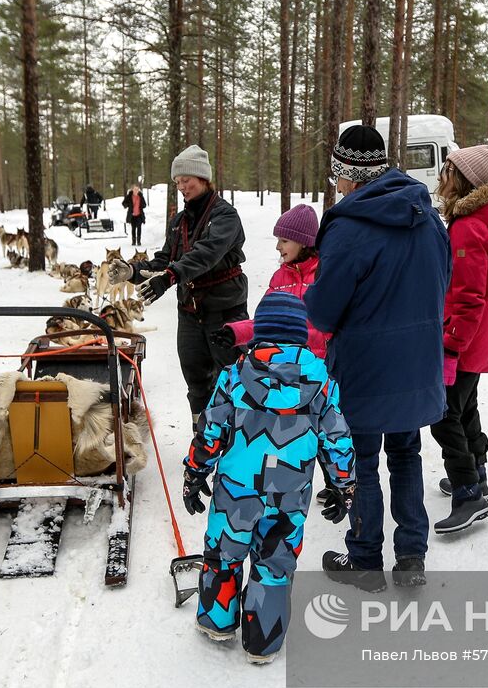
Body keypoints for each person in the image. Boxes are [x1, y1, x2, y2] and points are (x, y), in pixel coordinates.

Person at [305, 124, 450, 592]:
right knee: (406, 453)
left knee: (363, 460)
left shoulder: (348, 227)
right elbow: (442, 282)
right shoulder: (427, 217)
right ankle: (411, 556)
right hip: (416, 361)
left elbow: (325, 311)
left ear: (347, 174)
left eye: (339, 177)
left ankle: (365, 557)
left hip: (364, 366)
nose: (338, 186)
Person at [183, 291, 356, 664]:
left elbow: (211, 430)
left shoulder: (234, 377)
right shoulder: (322, 384)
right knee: (275, 562)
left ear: (258, 333)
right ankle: (262, 640)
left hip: (235, 490)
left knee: (224, 552)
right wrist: (344, 484)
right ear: (300, 335)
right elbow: (338, 439)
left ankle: (217, 619)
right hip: (289, 495)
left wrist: (195, 471)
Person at [130, 144, 249, 420]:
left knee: (232, 379)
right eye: (178, 182)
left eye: (187, 180)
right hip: (190, 313)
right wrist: (132, 271)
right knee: (196, 382)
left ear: (203, 179)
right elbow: (162, 260)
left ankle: (235, 443)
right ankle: (202, 438)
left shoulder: (225, 216)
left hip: (225, 310)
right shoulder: (179, 221)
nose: (182, 187)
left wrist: (170, 277)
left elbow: (205, 254)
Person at [429, 144, 488, 535]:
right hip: (477, 340)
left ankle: (467, 493)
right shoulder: (480, 221)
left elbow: (468, 296)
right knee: (465, 409)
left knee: (444, 417)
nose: (441, 178)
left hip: (462, 342)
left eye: (447, 170)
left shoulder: (467, 227)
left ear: (460, 179)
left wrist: (450, 343)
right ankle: (476, 475)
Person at [216, 204, 329, 359]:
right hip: (285, 367)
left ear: (303, 242)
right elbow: (267, 321)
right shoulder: (280, 278)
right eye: (278, 240)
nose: (278, 246)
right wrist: (235, 332)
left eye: (284, 240)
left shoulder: (324, 275)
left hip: (318, 371)